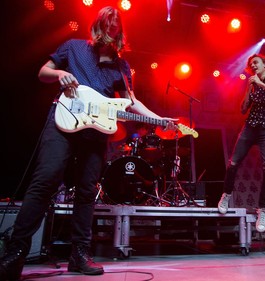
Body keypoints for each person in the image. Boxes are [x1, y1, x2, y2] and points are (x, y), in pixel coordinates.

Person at [0, 6, 176, 280]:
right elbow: (42, 72)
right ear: (98, 25)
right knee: (45, 180)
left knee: (86, 191)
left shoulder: (122, 65)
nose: (111, 28)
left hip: (95, 132)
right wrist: (60, 75)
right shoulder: (73, 47)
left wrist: (159, 119)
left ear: (120, 32)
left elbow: (132, 101)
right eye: (107, 22)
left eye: (116, 25)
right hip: (63, 122)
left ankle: (79, 254)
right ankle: (15, 252)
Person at [217, 54, 265, 233]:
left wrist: (261, 84)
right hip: (251, 127)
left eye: (255, 62)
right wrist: (249, 88)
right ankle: (226, 195)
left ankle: (262, 208)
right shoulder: (253, 83)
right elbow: (243, 109)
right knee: (232, 163)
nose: (252, 65)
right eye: (250, 64)